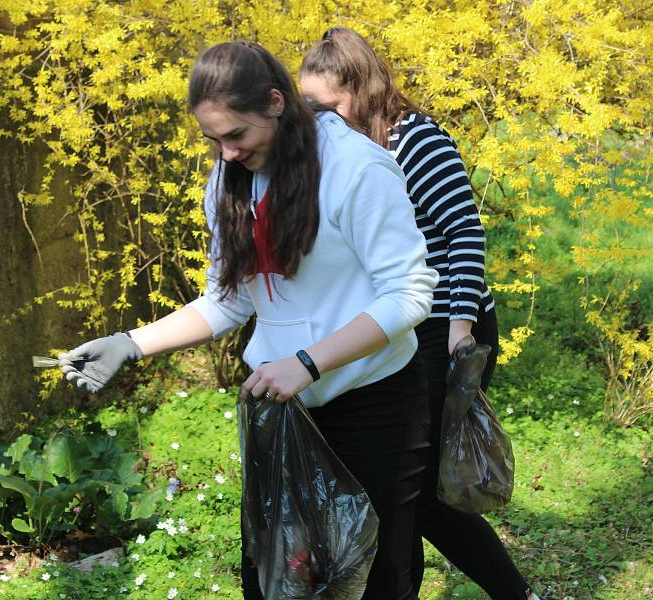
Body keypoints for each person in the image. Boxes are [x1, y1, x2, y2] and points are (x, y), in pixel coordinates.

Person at [59, 41, 439, 600]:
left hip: (375, 404)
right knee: (276, 578)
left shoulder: (357, 168)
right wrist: (129, 343)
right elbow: (228, 301)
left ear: (276, 103)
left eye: (236, 135)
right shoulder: (230, 179)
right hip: (284, 413)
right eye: (212, 140)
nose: (226, 153)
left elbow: (409, 296)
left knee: (374, 580)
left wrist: (308, 364)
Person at [300, 27, 540, 600]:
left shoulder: (414, 139)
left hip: (445, 325)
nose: (317, 117)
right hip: (395, 330)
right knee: (396, 486)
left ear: (360, 87)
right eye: (308, 106)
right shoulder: (337, 149)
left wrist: (460, 328)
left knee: (423, 493)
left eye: (327, 105)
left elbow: (462, 235)